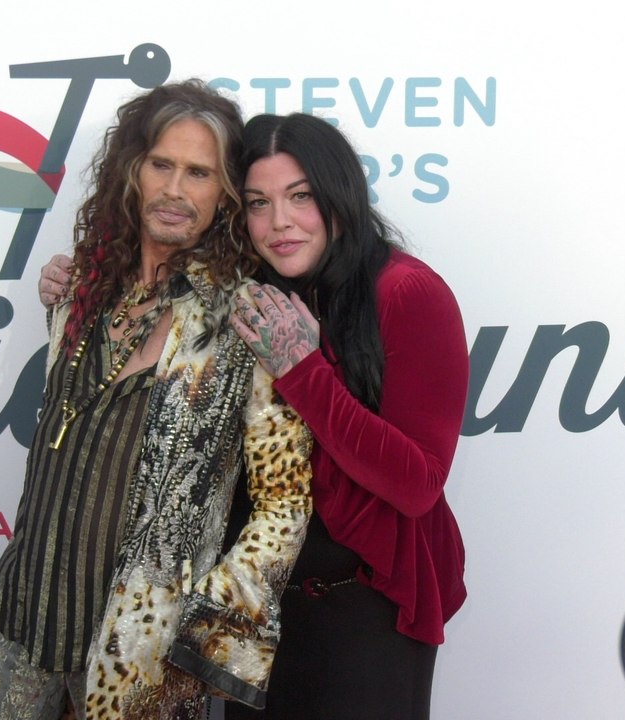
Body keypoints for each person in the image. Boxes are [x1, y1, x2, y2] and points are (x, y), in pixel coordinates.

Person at [0, 81, 312, 720]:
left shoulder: (247, 320)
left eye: (198, 173)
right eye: (161, 164)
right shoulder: (81, 289)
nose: (175, 190)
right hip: (18, 617)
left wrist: (205, 642)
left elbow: (285, 498)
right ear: (131, 171)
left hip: (144, 653)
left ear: (225, 193)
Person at [224, 113, 470, 719]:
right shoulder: (255, 292)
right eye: (259, 203)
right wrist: (83, 285)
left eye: (300, 197)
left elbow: (416, 485)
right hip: (257, 610)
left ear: (339, 195)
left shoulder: (407, 293)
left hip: (367, 615)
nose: (279, 222)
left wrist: (304, 372)